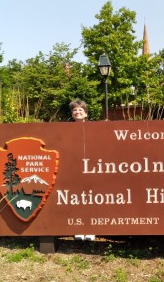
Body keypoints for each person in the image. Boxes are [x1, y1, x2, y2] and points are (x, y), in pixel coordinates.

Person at [69, 99, 95, 241]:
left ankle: (90, 228)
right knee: (76, 198)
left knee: (91, 198)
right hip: (74, 168)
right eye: (75, 110)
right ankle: (78, 228)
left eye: (80, 110)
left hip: (91, 167)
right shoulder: (67, 130)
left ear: (86, 113)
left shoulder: (93, 129)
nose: (77, 112)